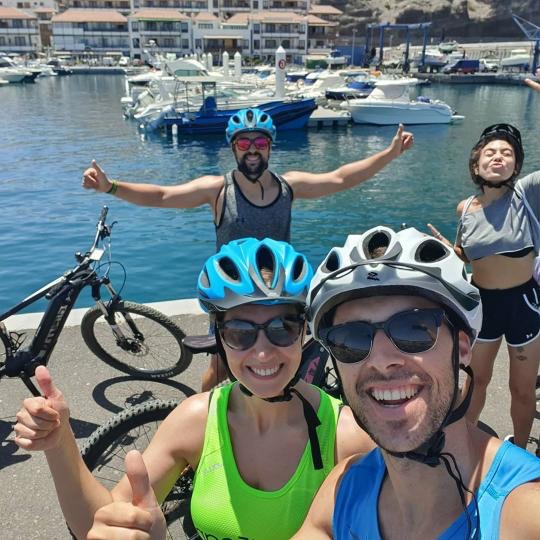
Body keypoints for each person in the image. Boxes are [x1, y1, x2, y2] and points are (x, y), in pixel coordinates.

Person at [14, 237, 375, 540]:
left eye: (282, 328)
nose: (263, 352)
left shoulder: (347, 437)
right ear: (218, 336)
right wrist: (59, 444)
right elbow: (99, 525)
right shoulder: (196, 420)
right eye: (240, 332)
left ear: (305, 331)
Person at [82, 107, 414, 391]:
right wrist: (111, 187)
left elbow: (340, 178)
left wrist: (389, 154)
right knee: (218, 369)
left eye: (260, 143)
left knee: (289, 361)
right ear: (233, 148)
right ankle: (203, 424)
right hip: (232, 295)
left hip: (281, 294)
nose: (252, 150)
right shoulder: (218, 190)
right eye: (244, 143)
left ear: (270, 147)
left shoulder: (288, 187)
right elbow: (162, 195)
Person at [293, 225, 540, 539]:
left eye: (413, 329)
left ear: (463, 348)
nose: (381, 360)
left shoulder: (526, 513)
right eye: (351, 339)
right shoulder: (342, 491)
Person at [428, 123, 540, 449]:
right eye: (490, 152)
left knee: (522, 389)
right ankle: (464, 446)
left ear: (516, 166)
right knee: (476, 381)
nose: (498, 157)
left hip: (524, 304)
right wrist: (452, 252)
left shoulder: (528, 194)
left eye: (507, 153)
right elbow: (467, 254)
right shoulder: (465, 209)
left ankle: (521, 452)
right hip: (482, 303)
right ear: (476, 165)